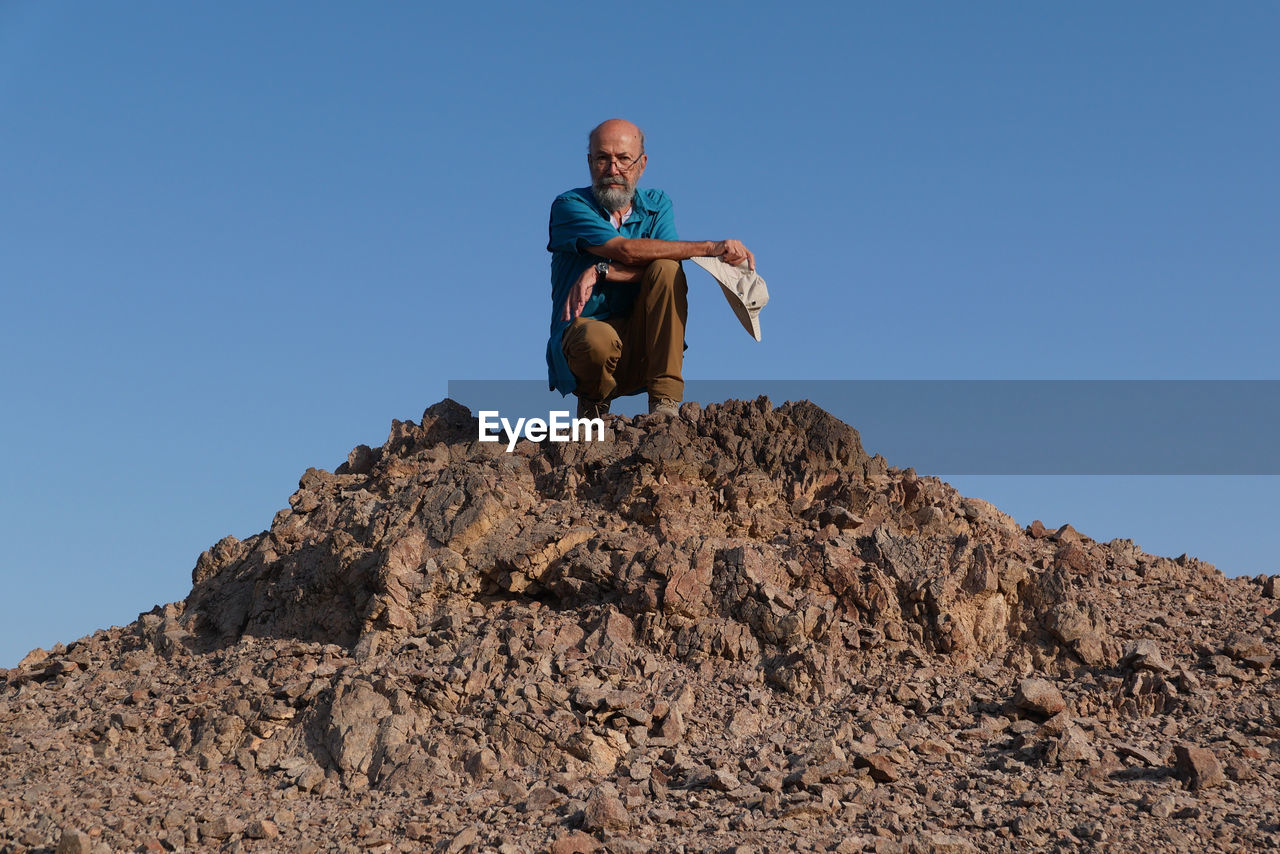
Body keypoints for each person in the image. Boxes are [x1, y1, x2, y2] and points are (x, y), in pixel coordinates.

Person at [546, 118, 755, 418]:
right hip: (586, 349)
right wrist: (711, 248)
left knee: (667, 270)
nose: (613, 170)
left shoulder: (657, 205)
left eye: (623, 159)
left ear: (642, 164)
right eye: (603, 158)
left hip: (641, 344)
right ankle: (593, 404)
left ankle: (665, 403)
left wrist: (600, 270)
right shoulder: (569, 206)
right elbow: (627, 250)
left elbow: (662, 265)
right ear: (590, 162)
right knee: (596, 340)